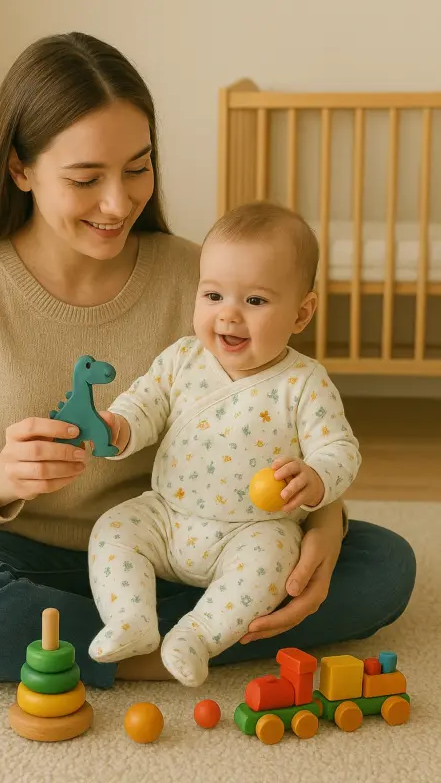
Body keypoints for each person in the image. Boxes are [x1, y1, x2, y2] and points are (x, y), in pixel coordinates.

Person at [0, 32, 415, 690]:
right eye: (87, 178)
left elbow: (292, 424)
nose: (118, 203)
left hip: (197, 538)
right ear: (20, 168)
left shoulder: (196, 278)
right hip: (31, 555)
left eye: (138, 167)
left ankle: (112, 646)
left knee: (383, 566)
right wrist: (1, 475)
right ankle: (177, 643)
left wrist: (323, 526)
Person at [86, 201, 362, 687]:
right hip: (168, 516)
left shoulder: (302, 382)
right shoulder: (182, 358)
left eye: (255, 301)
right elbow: (143, 403)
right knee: (113, 529)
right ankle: (131, 620)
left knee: (274, 559)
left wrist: (317, 478)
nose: (228, 315)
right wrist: (118, 428)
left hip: (252, 530)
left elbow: (340, 448)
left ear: (301, 313)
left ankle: (198, 635)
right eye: (212, 295)